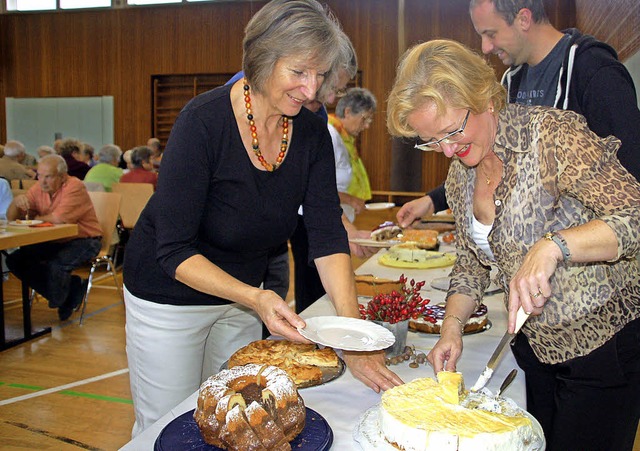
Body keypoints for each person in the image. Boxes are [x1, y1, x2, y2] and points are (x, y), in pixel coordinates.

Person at [122, 0, 402, 438]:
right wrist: (254, 298)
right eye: (299, 72)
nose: (312, 90)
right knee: (168, 426)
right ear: (261, 61)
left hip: (245, 296)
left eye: (320, 75)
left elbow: (327, 234)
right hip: (170, 297)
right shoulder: (202, 122)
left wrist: (353, 337)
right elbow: (174, 250)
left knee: (241, 422)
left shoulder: (309, 131)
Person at [387, 39, 640, 451]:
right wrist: (451, 328)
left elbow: (634, 213)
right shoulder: (460, 174)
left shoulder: (554, 136)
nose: (448, 150)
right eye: (432, 141)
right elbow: (471, 265)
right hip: (534, 352)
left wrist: (554, 245)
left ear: (485, 99)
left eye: (452, 131)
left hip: (601, 351)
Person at [396, 0, 640, 229]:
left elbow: (629, 177)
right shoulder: (511, 81)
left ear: (523, 19)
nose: (485, 47)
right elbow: (488, 157)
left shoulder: (594, 70)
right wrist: (435, 200)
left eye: (491, 34)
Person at [6, 155, 102, 321]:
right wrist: (16, 203)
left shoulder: (74, 186)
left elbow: (60, 219)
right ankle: (70, 290)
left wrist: (36, 217)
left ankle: (62, 297)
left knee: (56, 265)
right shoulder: (38, 188)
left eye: (48, 176)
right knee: (16, 260)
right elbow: (12, 219)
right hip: (53, 239)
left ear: (62, 176)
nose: (42, 181)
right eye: (39, 175)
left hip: (85, 239)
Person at [328, 87, 375, 221]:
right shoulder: (330, 134)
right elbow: (318, 187)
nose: (366, 126)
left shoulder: (345, 138)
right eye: (364, 119)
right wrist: (351, 200)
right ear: (347, 112)